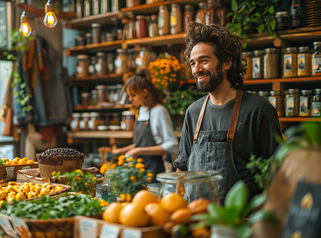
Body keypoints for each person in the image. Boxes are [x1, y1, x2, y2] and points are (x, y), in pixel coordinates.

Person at [173, 22, 282, 204]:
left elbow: (277, 173)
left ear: (227, 63)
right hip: (195, 220)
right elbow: (182, 168)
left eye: (204, 61)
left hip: (240, 222)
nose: (196, 69)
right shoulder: (193, 112)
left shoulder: (258, 110)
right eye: (193, 63)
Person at [112, 69, 179, 182]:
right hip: (138, 170)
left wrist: (139, 151)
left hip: (154, 170)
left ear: (145, 92)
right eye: (128, 95)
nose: (130, 99)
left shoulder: (159, 111)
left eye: (133, 95)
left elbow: (172, 145)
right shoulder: (142, 110)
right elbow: (141, 143)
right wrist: (120, 151)